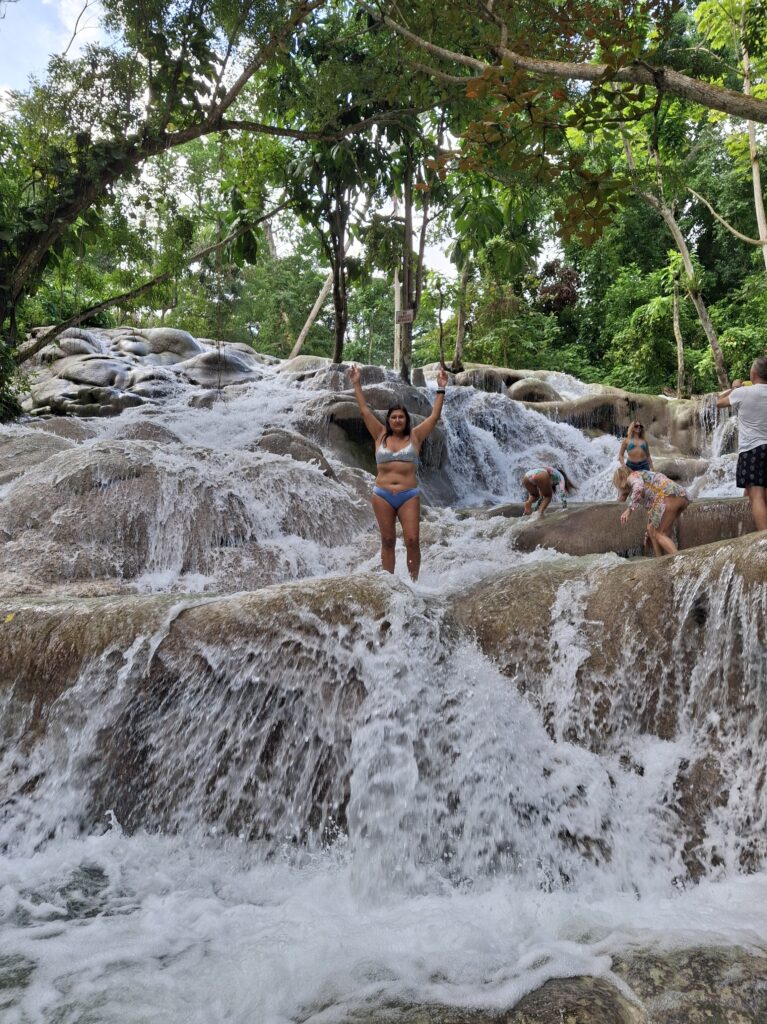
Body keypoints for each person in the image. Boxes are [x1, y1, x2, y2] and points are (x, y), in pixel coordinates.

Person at [348, 363, 448, 580]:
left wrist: (441, 388)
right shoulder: (379, 435)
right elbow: (364, 411)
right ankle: (389, 583)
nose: (397, 420)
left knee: (412, 540)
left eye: (401, 417)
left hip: (408, 495)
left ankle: (414, 582)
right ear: (389, 419)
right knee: (387, 541)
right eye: (393, 417)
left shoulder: (415, 436)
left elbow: (433, 418)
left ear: (406, 419)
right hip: (382, 495)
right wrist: (357, 383)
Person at [715, 357, 767, 532]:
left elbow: (718, 402)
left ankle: (763, 540)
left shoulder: (743, 393)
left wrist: (734, 388)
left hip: (752, 450)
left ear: (753, 374)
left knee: (757, 495)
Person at [614, 465, 689, 556]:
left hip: (668, 496)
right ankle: (660, 560)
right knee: (651, 529)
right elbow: (652, 507)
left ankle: (681, 560)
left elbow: (638, 487)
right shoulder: (642, 477)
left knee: (659, 534)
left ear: (621, 479)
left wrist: (629, 510)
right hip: (680, 496)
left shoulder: (632, 476)